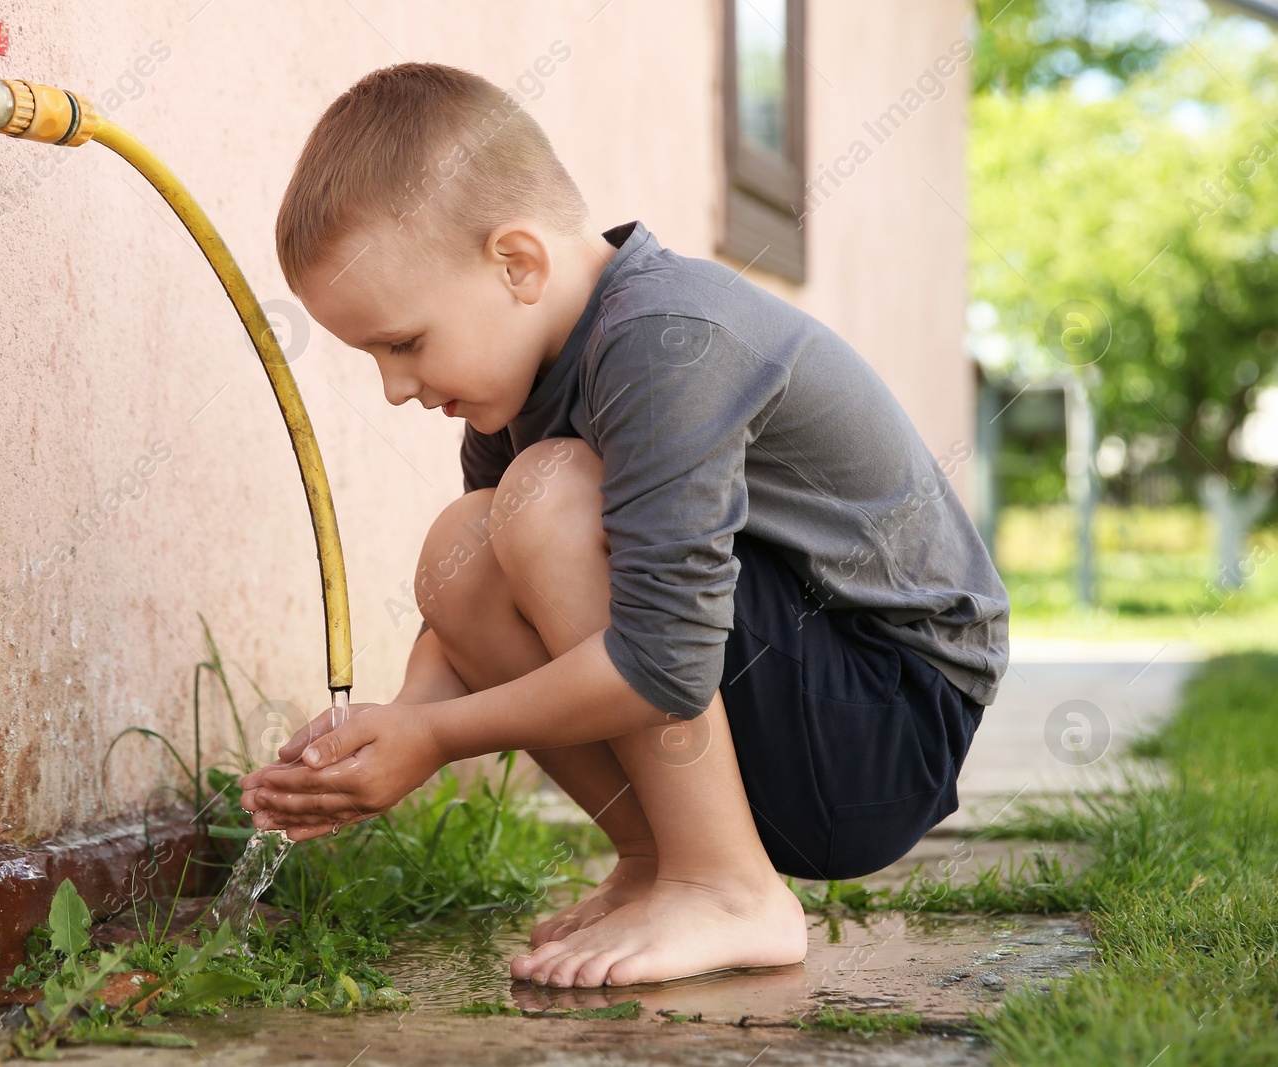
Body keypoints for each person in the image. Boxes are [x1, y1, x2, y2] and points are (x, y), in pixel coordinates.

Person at [238, 61, 1010, 989]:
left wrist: (440, 741)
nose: (396, 386)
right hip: (786, 708)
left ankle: (725, 884)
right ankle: (659, 863)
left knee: (549, 495)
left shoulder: (662, 340)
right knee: (464, 543)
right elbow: (473, 605)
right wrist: (394, 724)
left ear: (517, 263)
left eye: (403, 343)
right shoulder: (524, 376)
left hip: (886, 711)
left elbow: (663, 660)